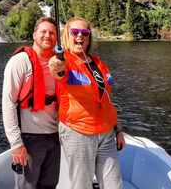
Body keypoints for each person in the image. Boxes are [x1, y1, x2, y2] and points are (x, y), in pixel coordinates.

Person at [48, 16, 125, 189]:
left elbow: (106, 99)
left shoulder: (99, 63)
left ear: (89, 37)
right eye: (74, 32)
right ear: (67, 36)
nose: (80, 36)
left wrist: (118, 129)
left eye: (84, 32)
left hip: (106, 133)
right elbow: (57, 71)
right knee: (81, 185)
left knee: (114, 184)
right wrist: (55, 64)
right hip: (78, 132)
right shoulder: (65, 61)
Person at [2, 17, 60, 189]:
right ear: (34, 35)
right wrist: (16, 143)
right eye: (43, 32)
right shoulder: (20, 61)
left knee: (50, 185)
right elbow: (8, 102)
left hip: (55, 137)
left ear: (57, 38)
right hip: (31, 139)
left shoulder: (59, 63)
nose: (47, 36)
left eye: (52, 33)